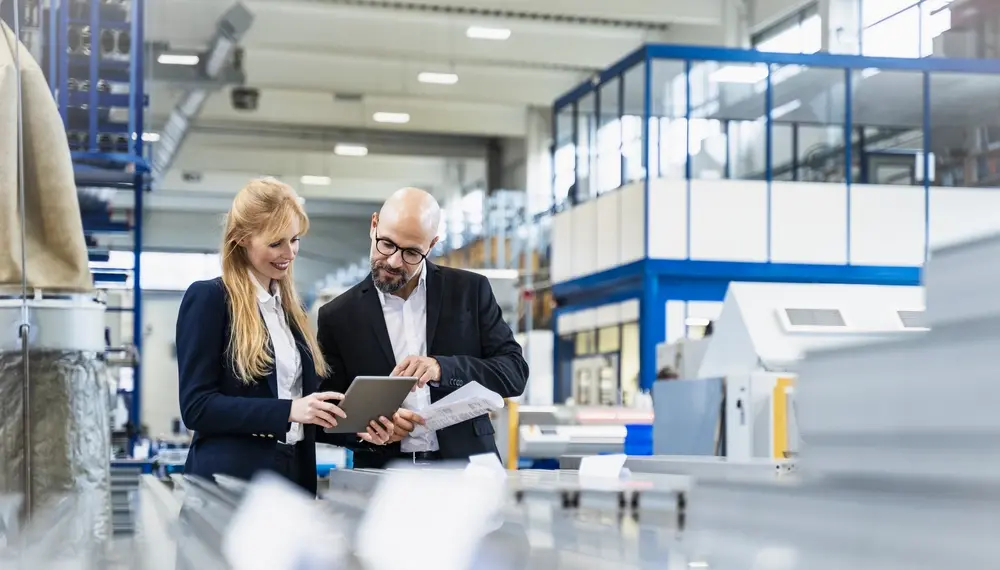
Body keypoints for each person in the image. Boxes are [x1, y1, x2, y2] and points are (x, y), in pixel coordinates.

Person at [176, 178, 394, 495]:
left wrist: (357, 429)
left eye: (294, 240)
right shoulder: (210, 299)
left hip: (293, 477)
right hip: (232, 484)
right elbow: (197, 407)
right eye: (275, 243)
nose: (289, 253)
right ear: (241, 240)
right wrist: (288, 410)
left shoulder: (289, 313)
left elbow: (306, 413)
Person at [317, 187, 529, 468]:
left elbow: (514, 373)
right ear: (374, 225)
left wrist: (443, 368)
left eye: (411, 253)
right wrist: (371, 432)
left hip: (468, 470)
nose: (394, 261)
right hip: (384, 475)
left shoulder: (470, 292)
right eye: (387, 244)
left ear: (432, 245)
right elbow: (326, 413)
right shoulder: (338, 316)